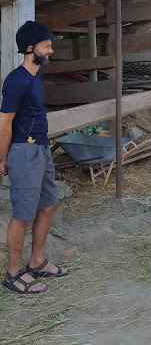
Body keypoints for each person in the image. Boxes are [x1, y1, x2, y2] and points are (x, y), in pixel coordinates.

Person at [0, 20, 69, 295]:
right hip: (23, 151)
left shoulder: (36, 76)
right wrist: (2, 159)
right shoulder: (16, 80)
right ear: (31, 48)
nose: (51, 50)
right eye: (47, 45)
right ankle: (14, 274)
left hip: (41, 149)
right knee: (22, 214)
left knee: (49, 204)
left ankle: (37, 261)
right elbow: (5, 124)